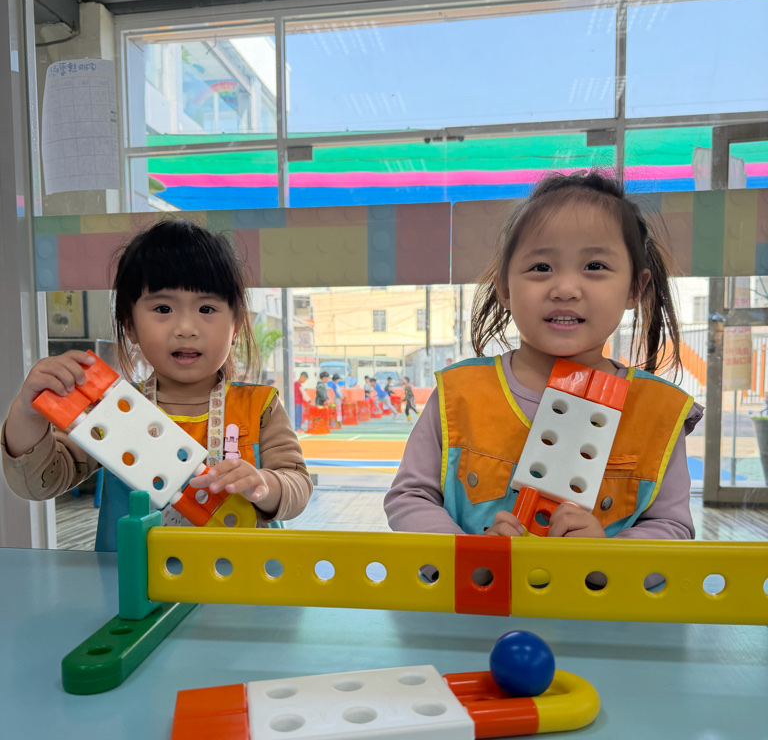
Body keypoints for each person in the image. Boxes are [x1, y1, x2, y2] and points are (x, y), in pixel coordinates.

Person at [385, 170, 701, 540]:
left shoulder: (659, 411)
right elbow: (411, 497)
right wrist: (469, 553)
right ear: (504, 287)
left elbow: (671, 526)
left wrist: (609, 555)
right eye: (541, 267)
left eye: (595, 266)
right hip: (473, 580)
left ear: (635, 288)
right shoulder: (459, 393)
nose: (565, 288)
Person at [2, 218, 313, 550]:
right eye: (163, 308)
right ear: (130, 325)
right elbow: (40, 483)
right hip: (135, 579)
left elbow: (297, 487)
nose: (186, 328)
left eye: (207, 308)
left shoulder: (261, 406)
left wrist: (264, 484)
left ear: (235, 326)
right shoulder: (111, 410)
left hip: (241, 576)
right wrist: (28, 413)